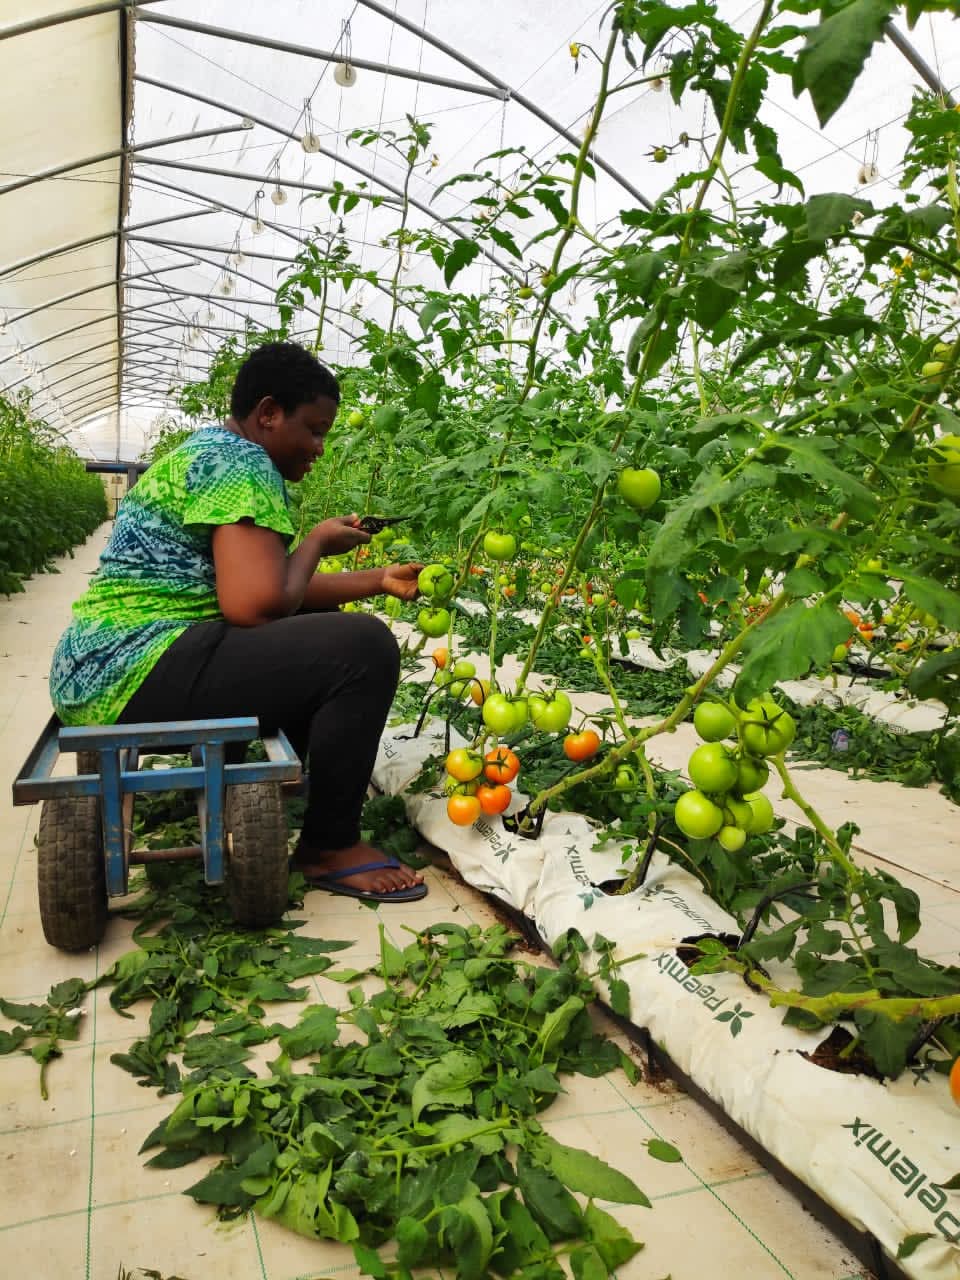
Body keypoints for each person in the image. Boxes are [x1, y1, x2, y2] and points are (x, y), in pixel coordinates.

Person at [50, 341, 426, 902]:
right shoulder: (242, 464)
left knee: (326, 632)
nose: (320, 448)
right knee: (365, 647)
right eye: (315, 430)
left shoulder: (210, 451)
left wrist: (375, 579)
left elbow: (262, 586)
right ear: (269, 413)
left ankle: (298, 784)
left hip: (96, 667)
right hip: (137, 666)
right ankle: (331, 845)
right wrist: (319, 540)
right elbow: (255, 604)